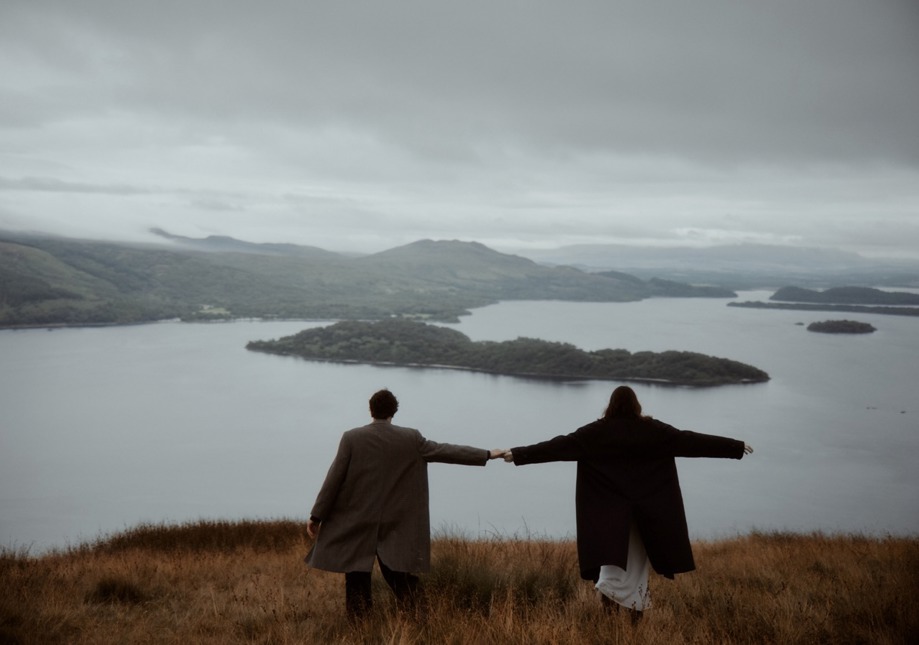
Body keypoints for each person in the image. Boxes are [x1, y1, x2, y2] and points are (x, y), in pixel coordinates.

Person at [504, 385, 753, 622]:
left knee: (612, 572)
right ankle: (631, 625)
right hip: (647, 518)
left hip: (609, 519)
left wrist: (518, 453)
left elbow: (556, 447)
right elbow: (691, 441)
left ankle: (612, 622)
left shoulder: (595, 433)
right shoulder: (655, 431)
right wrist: (735, 447)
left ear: (610, 406)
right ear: (636, 406)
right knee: (636, 574)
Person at [306, 389, 505, 619]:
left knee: (356, 577)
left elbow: (333, 479)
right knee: (398, 575)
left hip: (358, 522)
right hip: (396, 523)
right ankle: (420, 619)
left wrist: (316, 516)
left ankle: (360, 630)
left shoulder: (351, 438)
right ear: (394, 412)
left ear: (371, 410)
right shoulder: (412, 438)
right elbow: (447, 451)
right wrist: (488, 454)